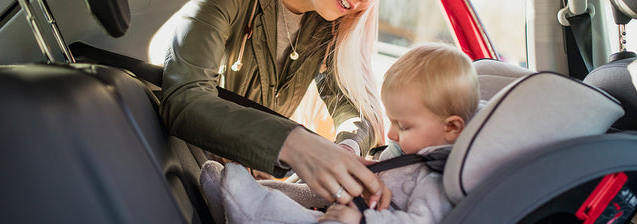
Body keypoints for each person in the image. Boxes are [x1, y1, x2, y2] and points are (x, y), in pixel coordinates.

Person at [158, 0, 405, 206]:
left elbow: (357, 110)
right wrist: (294, 144)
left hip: (246, 187)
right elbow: (184, 98)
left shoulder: (330, 24)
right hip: (188, 174)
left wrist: (346, 150)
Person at [200, 43, 481, 224]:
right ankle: (237, 195)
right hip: (351, 203)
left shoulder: (437, 178)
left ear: (452, 128)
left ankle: (245, 206)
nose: (392, 134)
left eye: (404, 126)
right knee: (305, 192)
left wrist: (361, 220)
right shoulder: (411, 151)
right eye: (392, 121)